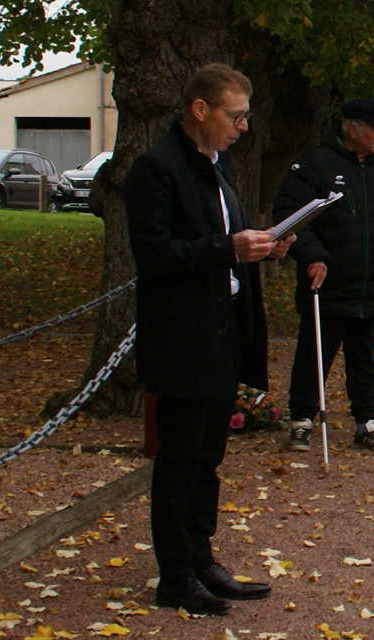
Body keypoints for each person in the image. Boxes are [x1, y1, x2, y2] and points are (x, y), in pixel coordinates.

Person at [127, 63, 281, 615]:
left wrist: (263, 246)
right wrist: (228, 249)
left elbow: (226, 243)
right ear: (200, 110)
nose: (243, 127)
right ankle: (175, 574)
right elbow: (154, 256)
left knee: (209, 458)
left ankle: (201, 558)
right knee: (180, 461)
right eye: (235, 116)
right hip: (182, 339)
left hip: (224, 332)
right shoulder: (156, 169)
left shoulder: (223, 167)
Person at [279, 97, 374, 454]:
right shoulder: (314, 165)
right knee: (314, 354)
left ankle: (367, 422)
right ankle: (302, 420)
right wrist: (311, 256)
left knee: (364, 357)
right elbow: (290, 213)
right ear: (352, 129)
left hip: (373, 284)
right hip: (326, 285)